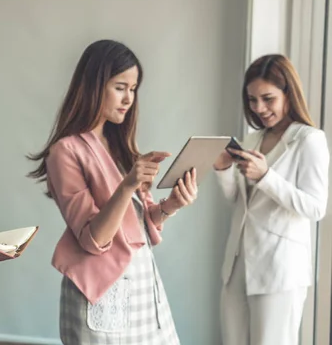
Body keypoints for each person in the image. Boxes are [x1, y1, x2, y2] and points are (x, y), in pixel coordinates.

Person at [28, 39, 198, 344]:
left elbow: (138, 224)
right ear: (94, 85)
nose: (128, 98)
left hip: (143, 283)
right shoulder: (65, 152)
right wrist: (128, 184)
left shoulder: (119, 146)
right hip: (105, 290)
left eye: (133, 89)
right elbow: (94, 239)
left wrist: (171, 205)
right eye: (120, 87)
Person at [214, 54, 329, 345]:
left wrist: (266, 177)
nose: (259, 108)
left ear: (288, 92)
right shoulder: (252, 139)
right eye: (252, 100)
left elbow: (316, 207)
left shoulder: (309, 140)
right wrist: (223, 169)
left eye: (268, 99)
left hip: (279, 269)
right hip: (237, 266)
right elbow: (239, 202)